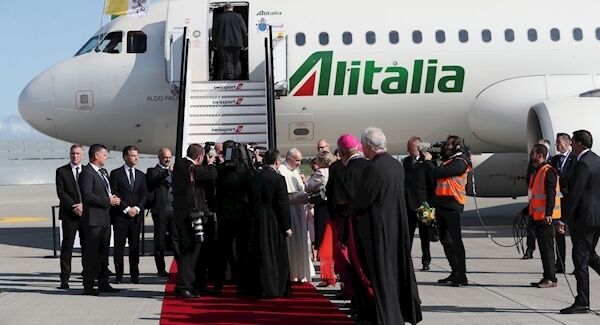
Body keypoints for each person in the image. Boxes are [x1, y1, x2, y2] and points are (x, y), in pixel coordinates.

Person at [350, 127, 421, 325]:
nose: (362, 150)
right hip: (396, 225)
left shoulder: (374, 168)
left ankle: (385, 315)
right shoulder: (396, 165)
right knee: (397, 271)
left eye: (363, 146)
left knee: (381, 274)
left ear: (370, 147)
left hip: (378, 229)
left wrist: (350, 210)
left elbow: (364, 199)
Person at [559, 130, 600, 314]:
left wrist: (564, 219)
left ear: (580, 144)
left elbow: (576, 194)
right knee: (590, 255)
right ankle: (582, 299)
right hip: (596, 218)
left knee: (580, 260)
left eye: (573, 142)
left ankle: (583, 301)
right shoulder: (597, 160)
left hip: (584, 219)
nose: (571, 145)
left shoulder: (583, 164)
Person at [424, 135, 471, 287]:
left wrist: (428, 161)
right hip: (442, 204)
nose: (445, 148)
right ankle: (455, 270)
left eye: (448, 146)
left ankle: (462, 275)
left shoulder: (461, 162)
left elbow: (439, 173)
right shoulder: (450, 161)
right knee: (446, 240)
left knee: (455, 241)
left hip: (453, 205)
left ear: (457, 147)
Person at [172, 144, 217, 299]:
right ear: (199, 157)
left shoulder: (180, 165)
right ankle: (183, 286)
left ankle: (194, 284)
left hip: (184, 216)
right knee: (190, 252)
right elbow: (211, 174)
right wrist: (210, 164)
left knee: (194, 251)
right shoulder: (190, 168)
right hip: (190, 217)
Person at [249, 149, 293, 297]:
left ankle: (259, 287)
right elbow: (282, 205)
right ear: (276, 161)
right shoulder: (278, 179)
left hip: (257, 220)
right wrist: (286, 226)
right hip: (273, 221)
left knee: (260, 254)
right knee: (275, 254)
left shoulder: (254, 176)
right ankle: (276, 288)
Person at [78, 144, 121, 296]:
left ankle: (104, 282)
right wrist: (107, 201)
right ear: (96, 156)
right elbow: (88, 195)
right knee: (91, 254)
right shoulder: (86, 173)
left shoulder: (103, 172)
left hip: (104, 219)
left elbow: (106, 192)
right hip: (93, 220)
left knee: (104, 253)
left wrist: (112, 198)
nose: (106, 157)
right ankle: (89, 285)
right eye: (104, 154)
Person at [214, 141, 253, 294]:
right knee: (242, 251)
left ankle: (218, 285)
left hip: (224, 215)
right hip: (241, 215)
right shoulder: (244, 170)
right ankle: (242, 285)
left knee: (222, 252)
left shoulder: (220, 169)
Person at [109, 145, 147, 284]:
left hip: (136, 218)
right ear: (125, 157)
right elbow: (115, 193)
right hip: (121, 217)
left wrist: (136, 209)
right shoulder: (115, 174)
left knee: (134, 247)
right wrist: (126, 209)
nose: (135, 158)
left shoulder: (141, 175)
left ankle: (134, 274)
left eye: (137, 155)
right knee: (119, 248)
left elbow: (144, 195)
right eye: (132, 155)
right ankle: (119, 275)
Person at [525, 144, 560, 288]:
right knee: (543, 249)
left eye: (532, 152)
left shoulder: (548, 171)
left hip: (545, 217)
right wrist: (525, 211)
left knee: (548, 249)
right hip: (537, 216)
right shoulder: (537, 171)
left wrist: (549, 213)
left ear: (540, 155)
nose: (530, 154)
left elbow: (551, 194)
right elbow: (535, 196)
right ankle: (547, 276)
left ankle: (551, 278)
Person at [278, 148, 312, 282]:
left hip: (299, 210)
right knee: (292, 244)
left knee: (301, 241)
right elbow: (286, 195)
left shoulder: (295, 171)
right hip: (291, 211)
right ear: (290, 158)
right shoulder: (282, 170)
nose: (299, 163)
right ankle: (293, 273)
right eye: (297, 160)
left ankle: (300, 272)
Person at [56, 144, 85, 289]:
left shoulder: (87, 171)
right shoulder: (61, 171)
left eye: (78, 153)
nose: (75, 156)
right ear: (70, 154)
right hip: (69, 214)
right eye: (73, 153)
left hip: (85, 214)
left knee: (87, 246)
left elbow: (91, 191)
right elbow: (61, 193)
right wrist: (75, 206)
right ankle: (65, 278)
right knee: (67, 247)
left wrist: (83, 205)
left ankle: (88, 274)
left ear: (82, 155)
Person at [306, 151, 337, 287]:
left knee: (323, 242)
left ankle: (327, 276)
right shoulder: (334, 170)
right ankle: (333, 273)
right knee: (330, 241)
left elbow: (308, 187)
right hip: (332, 208)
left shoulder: (321, 172)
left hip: (322, 208)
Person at [146, 147, 179, 277]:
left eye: (170, 157)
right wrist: (166, 172)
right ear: (159, 157)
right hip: (160, 211)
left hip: (173, 210)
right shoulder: (153, 171)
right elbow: (152, 180)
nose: (168, 159)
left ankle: (180, 266)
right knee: (159, 241)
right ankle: (160, 269)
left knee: (176, 239)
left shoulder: (173, 172)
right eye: (165, 157)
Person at [403, 137, 433, 271]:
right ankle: (406, 261)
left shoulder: (425, 161)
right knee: (407, 234)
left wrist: (431, 203)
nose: (409, 150)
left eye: (411, 148)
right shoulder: (407, 161)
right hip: (409, 204)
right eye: (408, 148)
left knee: (424, 235)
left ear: (418, 148)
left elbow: (431, 182)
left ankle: (426, 261)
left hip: (423, 205)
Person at [550, 133, 575, 273]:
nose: (557, 144)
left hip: (571, 202)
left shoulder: (575, 160)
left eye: (559, 142)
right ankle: (560, 264)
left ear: (567, 143)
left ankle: (578, 266)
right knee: (559, 235)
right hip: (558, 205)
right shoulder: (554, 160)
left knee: (576, 237)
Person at [212, 3, 247, 80]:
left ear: (224, 8)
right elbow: (244, 31)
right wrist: (245, 43)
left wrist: (214, 43)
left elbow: (215, 31)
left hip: (222, 43)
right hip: (237, 43)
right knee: (236, 61)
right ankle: (237, 78)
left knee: (224, 61)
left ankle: (222, 79)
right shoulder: (238, 16)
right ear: (232, 7)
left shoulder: (219, 17)